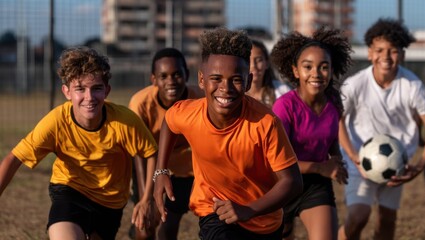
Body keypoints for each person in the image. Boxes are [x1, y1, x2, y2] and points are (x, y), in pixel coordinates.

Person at [153, 27, 303, 240]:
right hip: (213, 209)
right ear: (202, 80)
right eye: (216, 78)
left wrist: (248, 210)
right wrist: (161, 172)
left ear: (249, 82)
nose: (226, 88)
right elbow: (169, 120)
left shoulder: (265, 123)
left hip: (263, 221)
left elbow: (293, 182)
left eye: (236, 79)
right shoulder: (189, 113)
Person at [0, 47, 158, 240]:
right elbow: (14, 158)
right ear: (66, 92)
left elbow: (151, 153)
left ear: (107, 90)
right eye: (80, 89)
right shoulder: (56, 121)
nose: (89, 97)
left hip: (110, 202)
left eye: (96, 88)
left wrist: (146, 199)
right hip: (69, 191)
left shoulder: (125, 121)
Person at [337, 18, 425, 240]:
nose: (386, 57)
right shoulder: (355, 84)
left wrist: (419, 165)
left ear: (403, 54)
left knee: (387, 220)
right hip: (360, 159)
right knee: (359, 217)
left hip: (397, 162)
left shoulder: (412, 85)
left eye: (393, 50)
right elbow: (337, 119)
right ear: (369, 53)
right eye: (379, 50)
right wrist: (352, 155)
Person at [270, 27, 351, 240]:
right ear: (296, 71)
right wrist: (322, 167)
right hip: (279, 184)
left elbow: (331, 138)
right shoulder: (284, 107)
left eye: (324, 67)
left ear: (332, 71)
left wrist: (336, 159)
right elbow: (276, 161)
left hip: (315, 185)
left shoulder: (334, 103)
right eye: (308, 67)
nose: (316, 73)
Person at [128, 47, 204, 240]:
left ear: (187, 74)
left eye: (177, 74)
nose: (171, 81)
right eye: (163, 76)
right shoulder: (140, 103)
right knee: (145, 228)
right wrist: (146, 197)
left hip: (183, 170)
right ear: (154, 79)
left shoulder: (200, 101)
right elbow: (139, 152)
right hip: (149, 168)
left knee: (168, 227)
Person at [246, 39, 292, 107]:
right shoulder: (236, 93)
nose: (253, 65)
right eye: (248, 61)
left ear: (267, 63)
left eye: (259, 60)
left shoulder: (282, 91)